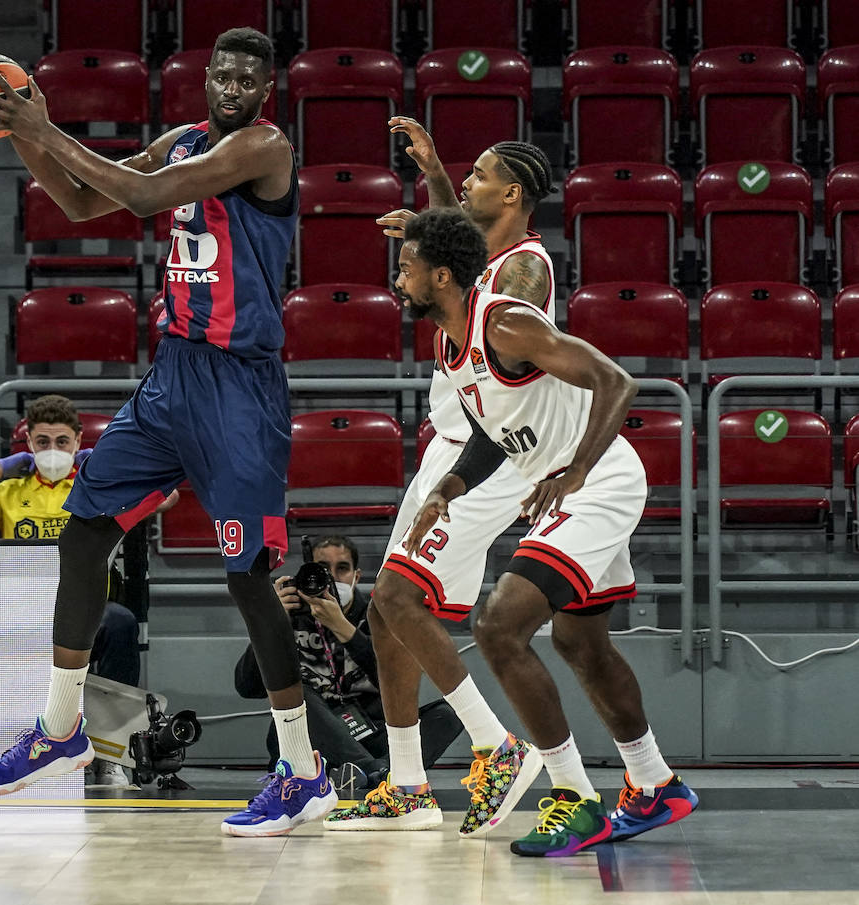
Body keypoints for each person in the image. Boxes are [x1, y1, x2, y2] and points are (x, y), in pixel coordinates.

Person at [0, 27, 338, 837]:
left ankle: (303, 769)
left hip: (240, 388)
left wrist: (38, 125)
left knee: (248, 577)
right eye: (222, 74)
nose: (233, 87)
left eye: (248, 78)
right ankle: (62, 727)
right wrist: (27, 135)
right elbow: (81, 201)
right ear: (206, 79)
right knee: (85, 527)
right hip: (173, 374)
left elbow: (140, 200)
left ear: (266, 89)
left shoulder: (265, 146)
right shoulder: (182, 140)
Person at [398, 207, 697, 857]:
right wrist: (447, 487)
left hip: (598, 479)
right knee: (579, 641)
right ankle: (654, 783)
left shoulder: (504, 320)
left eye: (407, 267)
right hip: (567, 481)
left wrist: (577, 470)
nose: (398, 278)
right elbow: (489, 429)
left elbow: (616, 381)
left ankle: (572, 797)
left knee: (499, 625)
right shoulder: (451, 344)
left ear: (442, 276)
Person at [328, 127, 562, 834]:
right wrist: (433, 182)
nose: (469, 180)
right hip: (448, 445)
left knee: (400, 595)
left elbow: (472, 276)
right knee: (383, 610)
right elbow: (459, 252)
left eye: (481, 174)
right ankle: (406, 783)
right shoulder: (483, 254)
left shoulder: (526, 269)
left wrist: (434, 244)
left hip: (489, 451)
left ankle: (496, 746)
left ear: (514, 192)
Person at [0, 393, 143, 787]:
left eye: (62, 442)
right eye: (42, 442)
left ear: (78, 441)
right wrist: (1, 467)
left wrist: (100, 465)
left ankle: (115, 754)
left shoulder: (93, 485)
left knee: (120, 623)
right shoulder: (11, 492)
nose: (52, 450)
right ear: (29, 444)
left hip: (89, 608)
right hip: (23, 607)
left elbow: (163, 496)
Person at [233, 535, 462, 800]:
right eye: (323, 569)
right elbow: (247, 688)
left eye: (342, 568)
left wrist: (345, 630)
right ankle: (379, 773)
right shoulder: (289, 615)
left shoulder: (378, 614)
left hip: (370, 733)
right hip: (309, 741)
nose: (332, 577)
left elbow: (399, 684)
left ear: (357, 575)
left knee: (449, 713)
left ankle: (373, 771)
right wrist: (269, 622)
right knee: (299, 696)